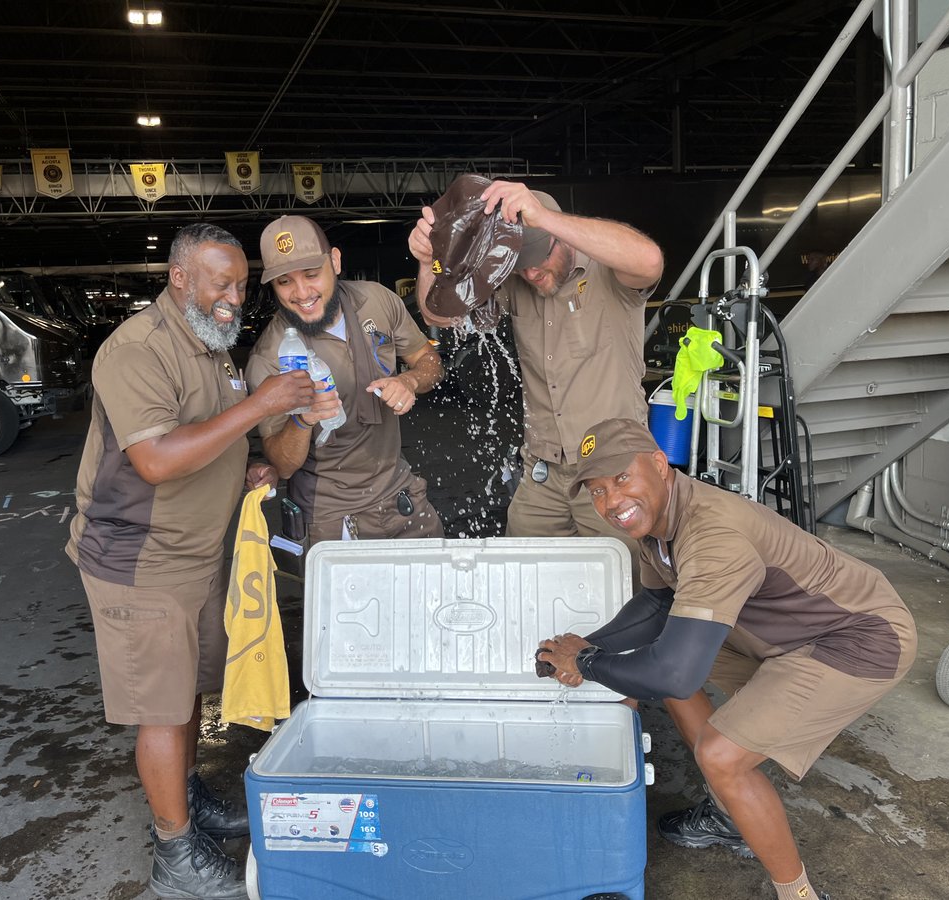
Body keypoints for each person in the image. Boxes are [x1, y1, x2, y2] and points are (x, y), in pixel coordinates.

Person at [537, 417, 918, 900]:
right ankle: (728, 812)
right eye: (596, 491)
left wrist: (587, 664)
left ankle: (797, 893)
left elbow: (675, 672)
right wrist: (588, 649)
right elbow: (657, 604)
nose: (611, 502)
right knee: (654, 670)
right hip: (774, 633)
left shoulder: (712, 533)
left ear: (659, 465)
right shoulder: (656, 517)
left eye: (620, 479)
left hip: (858, 638)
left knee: (720, 752)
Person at [66, 223, 318, 900]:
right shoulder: (135, 350)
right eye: (221, 283)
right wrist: (264, 405)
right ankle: (173, 855)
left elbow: (207, 433)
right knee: (162, 704)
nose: (234, 297)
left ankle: (184, 797)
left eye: (240, 284)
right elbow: (155, 459)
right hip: (141, 562)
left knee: (189, 692)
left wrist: (251, 464)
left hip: (199, 554)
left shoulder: (212, 343)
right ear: (179, 278)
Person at [409, 180, 665, 588]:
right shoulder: (517, 280)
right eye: (520, 264)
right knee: (526, 584)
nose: (531, 272)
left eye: (539, 258)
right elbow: (441, 316)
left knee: (627, 585)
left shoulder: (607, 274)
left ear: (561, 237)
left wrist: (544, 217)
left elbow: (650, 259)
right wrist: (428, 262)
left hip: (612, 470)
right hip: (543, 470)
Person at [246, 215, 445, 546]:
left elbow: (429, 361)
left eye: (311, 275)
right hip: (332, 517)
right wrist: (303, 419)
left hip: (401, 494)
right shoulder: (271, 356)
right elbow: (282, 464)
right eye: (285, 282)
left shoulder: (377, 301)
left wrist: (409, 381)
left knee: (439, 590)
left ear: (335, 261)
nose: (301, 293)